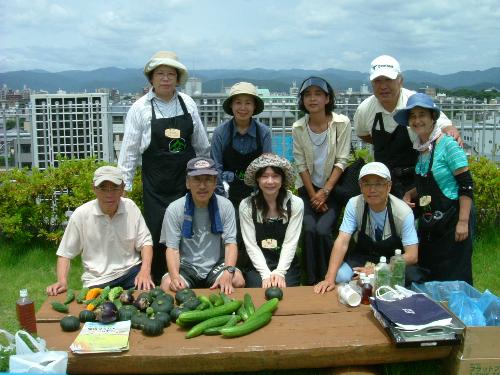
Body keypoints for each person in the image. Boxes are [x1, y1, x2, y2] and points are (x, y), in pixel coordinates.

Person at [118, 51, 210, 284]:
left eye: (171, 74)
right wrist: (123, 188)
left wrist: (205, 178)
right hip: (156, 186)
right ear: (151, 78)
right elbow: (129, 152)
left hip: (185, 183)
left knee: (188, 229)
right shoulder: (139, 108)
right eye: (160, 74)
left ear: (178, 79)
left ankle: (189, 278)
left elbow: (201, 144)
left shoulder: (187, 103)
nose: (166, 78)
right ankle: (159, 281)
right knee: (157, 233)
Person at [353, 55, 460, 198]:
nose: (383, 86)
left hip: (418, 176)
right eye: (377, 81)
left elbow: (444, 125)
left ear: (400, 81)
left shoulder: (414, 101)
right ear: (372, 83)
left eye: (388, 80)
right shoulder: (365, 109)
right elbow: (362, 133)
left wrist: (451, 132)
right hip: (383, 179)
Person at [395, 93, 473, 284]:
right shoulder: (422, 149)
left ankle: (459, 314)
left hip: (453, 221)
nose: (417, 120)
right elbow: (428, 181)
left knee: (454, 275)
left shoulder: (448, 144)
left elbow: (466, 184)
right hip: (432, 223)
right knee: (431, 274)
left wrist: (463, 222)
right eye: (412, 116)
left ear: (433, 118)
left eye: (422, 114)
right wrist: (409, 193)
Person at [46, 166, 154, 295]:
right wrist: (62, 281)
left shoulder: (131, 207)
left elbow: (145, 243)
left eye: (115, 188)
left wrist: (145, 271)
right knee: (97, 313)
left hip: (131, 273)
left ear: (122, 189)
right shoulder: (81, 214)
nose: (109, 194)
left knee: (147, 304)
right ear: (94, 189)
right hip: (97, 280)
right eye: (103, 188)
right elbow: (65, 253)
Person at [314, 162, 419, 294]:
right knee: (340, 277)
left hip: (391, 261)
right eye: (366, 183)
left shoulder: (403, 212)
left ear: (389, 186)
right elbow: (342, 241)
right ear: (360, 186)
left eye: (378, 183)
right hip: (363, 256)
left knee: (383, 285)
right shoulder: (354, 204)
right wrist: (329, 278)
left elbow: (412, 255)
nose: (372, 189)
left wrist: (377, 270)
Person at [292, 76, 351, 285]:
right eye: (308, 94)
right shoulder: (298, 127)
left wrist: (325, 191)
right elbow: (300, 165)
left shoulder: (341, 123)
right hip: (308, 190)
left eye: (318, 94)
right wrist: (313, 195)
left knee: (323, 230)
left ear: (327, 98)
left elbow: (342, 160)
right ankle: (309, 281)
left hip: (332, 189)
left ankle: (328, 278)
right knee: (308, 229)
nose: (312, 99)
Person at [159, 157, 245, 294]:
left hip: (217, 265)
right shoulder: (175, 208)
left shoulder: (226, 206)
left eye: (208, 179)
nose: (202, 186)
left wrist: (228, 274)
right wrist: (175, 278)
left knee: (237, 281)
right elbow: (172, 249)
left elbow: (230, 244)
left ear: (215, 182)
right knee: (168, 285)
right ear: (188, 183)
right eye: (197, 179)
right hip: (187, 265)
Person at [210, 81, 272, 271]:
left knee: (255, 235)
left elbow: (267, 167)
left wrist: (261, 197)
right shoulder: (221, 133)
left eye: (248, 103)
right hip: (228, 194)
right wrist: (222, 200)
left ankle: (254, 271)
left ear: (254, 107)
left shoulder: (264, 133)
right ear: (231, 106)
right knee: (231, 234)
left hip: (256, 193)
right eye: (238, 102)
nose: (243, 108)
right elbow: (216, 168)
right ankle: (231, 271)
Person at [239, 154, 304, 288]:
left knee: (286, 291)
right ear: (257, 179)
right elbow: (250, 244)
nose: (270, 181)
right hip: (257, 264)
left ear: (282, 179)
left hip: (285, 263)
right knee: (258, 291)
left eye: (275, 176)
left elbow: (290, 242)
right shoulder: (246, 205)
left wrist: (280, 272)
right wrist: (265, 274)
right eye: (264, 176)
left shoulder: (296, 204)